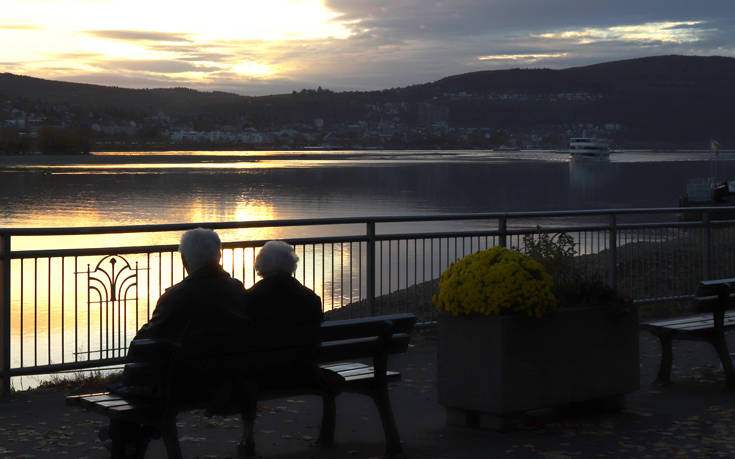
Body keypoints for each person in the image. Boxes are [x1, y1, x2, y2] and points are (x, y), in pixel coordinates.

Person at [103, 228, 248, 453]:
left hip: (183, 386)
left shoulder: (176, 296)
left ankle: (125, 439)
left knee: (127, 384)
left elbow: (146, 343)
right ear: (219, 255)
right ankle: (136, 436)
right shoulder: (237, 289)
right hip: (229, 380)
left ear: (184, 259)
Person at [237, 240, 333, 457]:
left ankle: (247, 438)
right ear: (291, 265)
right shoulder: (311, 298)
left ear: (260, 265)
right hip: (304, 372)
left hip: (261, 377)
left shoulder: (249, 299)